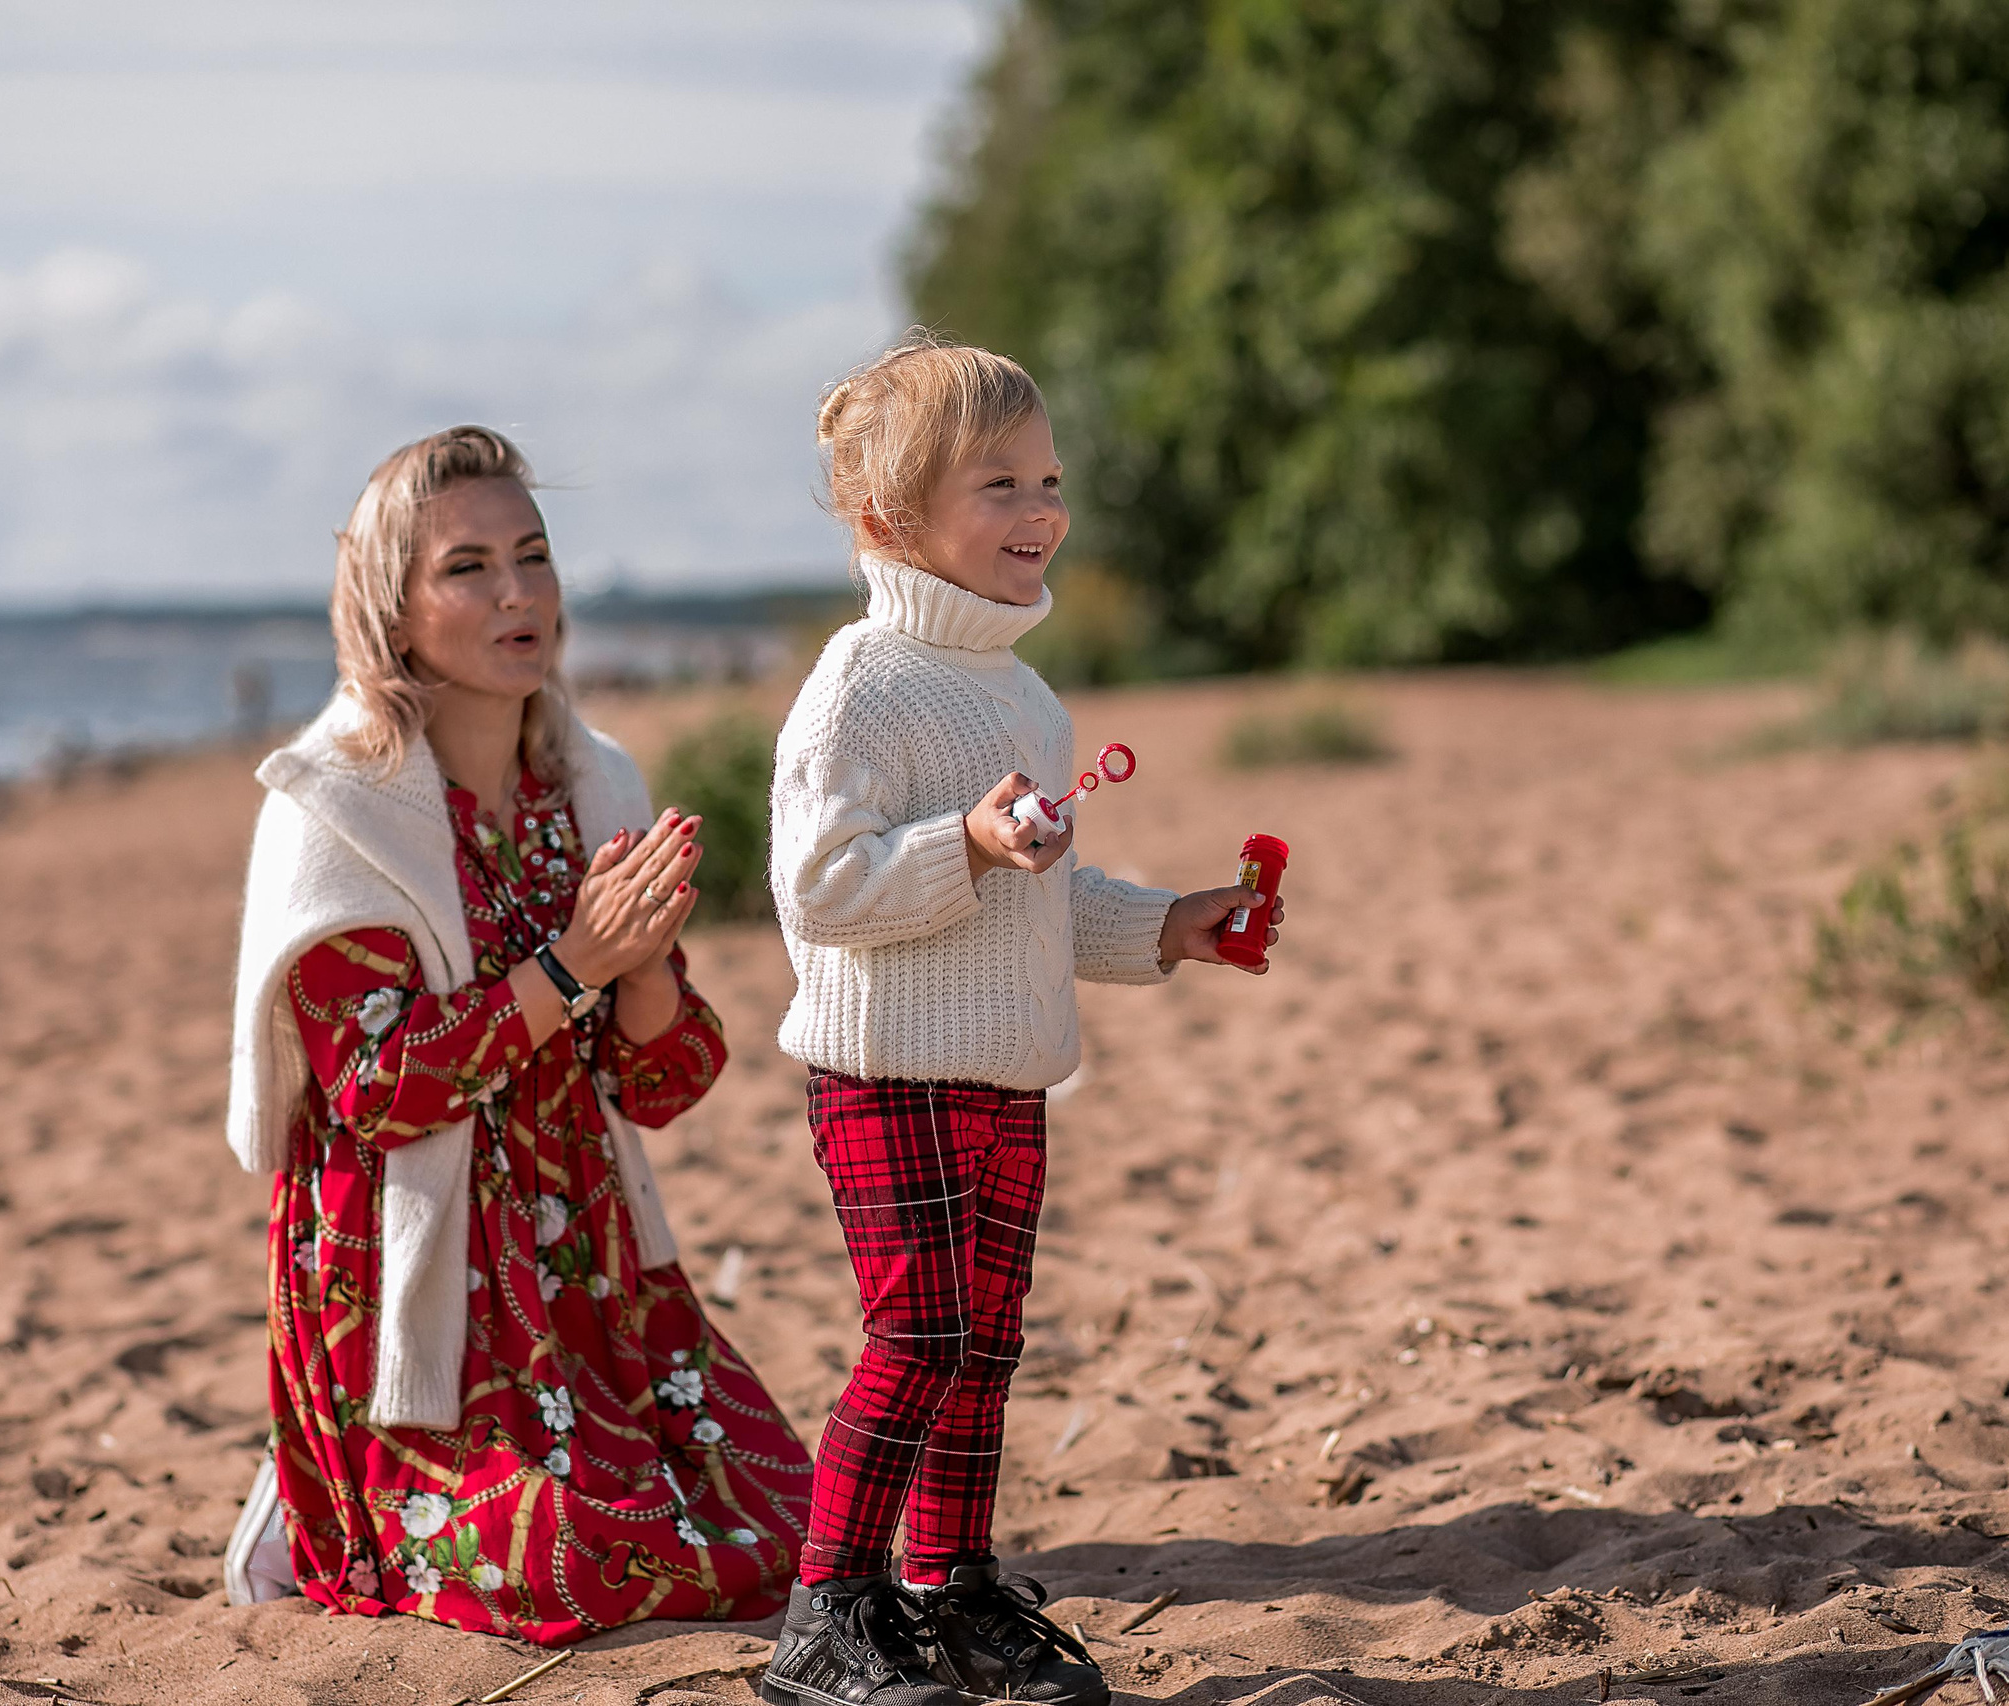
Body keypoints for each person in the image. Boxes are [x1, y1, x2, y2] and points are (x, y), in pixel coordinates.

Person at [757, 336, 1285, 1706]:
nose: (1041, 508)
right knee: (920, 1332)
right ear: (890, 521)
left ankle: (952, 1586)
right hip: (887, 1073)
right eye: (998, 482)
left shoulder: (1025, 696)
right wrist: (971, 845)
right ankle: (827, 1603)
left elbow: (1036, 906)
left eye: (1047, 477)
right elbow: (818, 893)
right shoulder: (861, 684)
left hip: (1005, 1075)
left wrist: (1166, 923)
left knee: (988, 1341)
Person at [219, 426, 810, 1645]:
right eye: (468, 567)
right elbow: (381, 1088)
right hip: (411, 1276)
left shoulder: (592, 784)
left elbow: (666, 1078)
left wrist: (640, 967)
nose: (517, 593)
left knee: (801, 1525)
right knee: (580, 1568)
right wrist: (573, 962)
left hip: (587, 1260)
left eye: (533, 557)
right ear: (391, 609)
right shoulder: (333, 808)